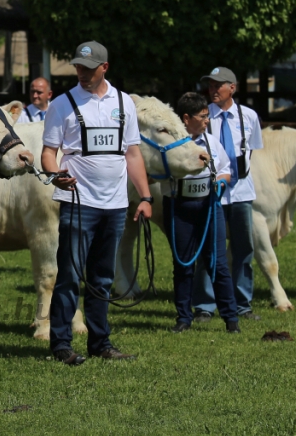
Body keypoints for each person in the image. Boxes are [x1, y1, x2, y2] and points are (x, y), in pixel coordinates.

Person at [41, 41, 152, 364]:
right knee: (69, 277)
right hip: (78, 202)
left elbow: (132, 153)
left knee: (102, 277)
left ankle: (100, 342)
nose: (82, 74)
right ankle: (61, 344)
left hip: (115, 204)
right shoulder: (62, 104)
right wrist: (55, 173)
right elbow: (49, 152)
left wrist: (144, 197)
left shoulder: (124, 103)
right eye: (78, 67)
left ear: (105, 67)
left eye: (89, 69)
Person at [192, 67, 264, 323]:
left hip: (242, 192)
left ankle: (242, 304)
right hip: (211, 193)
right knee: (208, 249)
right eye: (210, 85)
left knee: (244, 249)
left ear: (232, 87)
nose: (212, 90)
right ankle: (204, 305)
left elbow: (253, 149)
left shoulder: (250, 117)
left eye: (217, 85)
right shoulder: (203, 116)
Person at [165, 93, 239, 333]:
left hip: (209, 206)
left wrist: (222, 182)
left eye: (208, 116)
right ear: (186, 118)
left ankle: (231, 319)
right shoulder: (171, 144)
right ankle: (183, 318)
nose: (207, 120)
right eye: (203, 116)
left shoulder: (212, 143)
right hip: (179, 206)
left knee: (217, 263)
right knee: (183, 264)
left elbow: (227, 170)